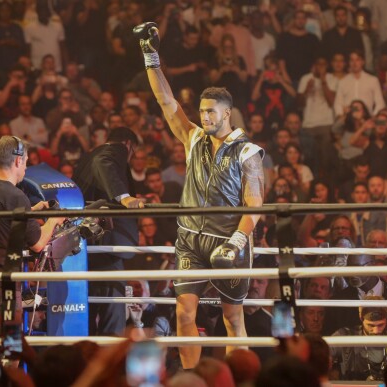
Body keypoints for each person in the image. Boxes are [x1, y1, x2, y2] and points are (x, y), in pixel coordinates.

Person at [134, 22, 265, 369]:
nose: (205, 116)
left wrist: (236, 242)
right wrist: (151, 56)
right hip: (191, 239)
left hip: (229, 239)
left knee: (233, 317)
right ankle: (190, 377)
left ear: (227, 113)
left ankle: (239, 379)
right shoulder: (192, 138)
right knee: (184, 312)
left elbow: (255, 204)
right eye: (202, 110)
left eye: (211, 111)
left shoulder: (248, 152)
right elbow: (166, 100)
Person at [0, 136, 64, 333]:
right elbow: (37, 243)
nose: (26, 167)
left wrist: (31, 211)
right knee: (10, 347)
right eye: (26, 161)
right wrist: (55, 219)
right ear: (18, 160)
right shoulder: (16, 196)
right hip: (0, 284)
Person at [73, 127, 145, 336]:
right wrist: (124, 197)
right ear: (128, 145)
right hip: (107, 245)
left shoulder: (87, 157)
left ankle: (92, 357)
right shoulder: (114, 151)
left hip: (91, 245)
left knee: (92, 307)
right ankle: (110, 359)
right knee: (112, 308)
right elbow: (103, 163)